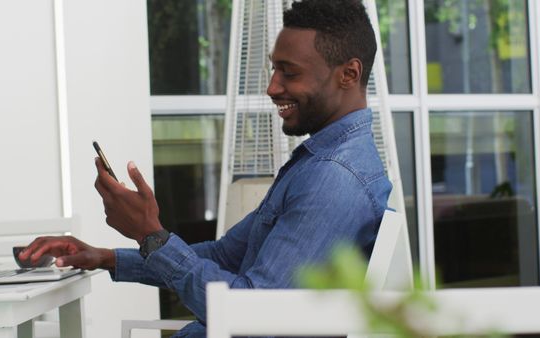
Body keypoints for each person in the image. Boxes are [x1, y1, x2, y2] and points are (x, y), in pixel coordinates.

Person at [19, 0, 391, 336]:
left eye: (289, 73)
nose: (272, 87)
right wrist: (109, 256)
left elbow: (256, 318)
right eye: (273, 70)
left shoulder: (333, 178)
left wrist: (152, 236)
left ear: (349, 74)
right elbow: (225, 255)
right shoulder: (318, 164)